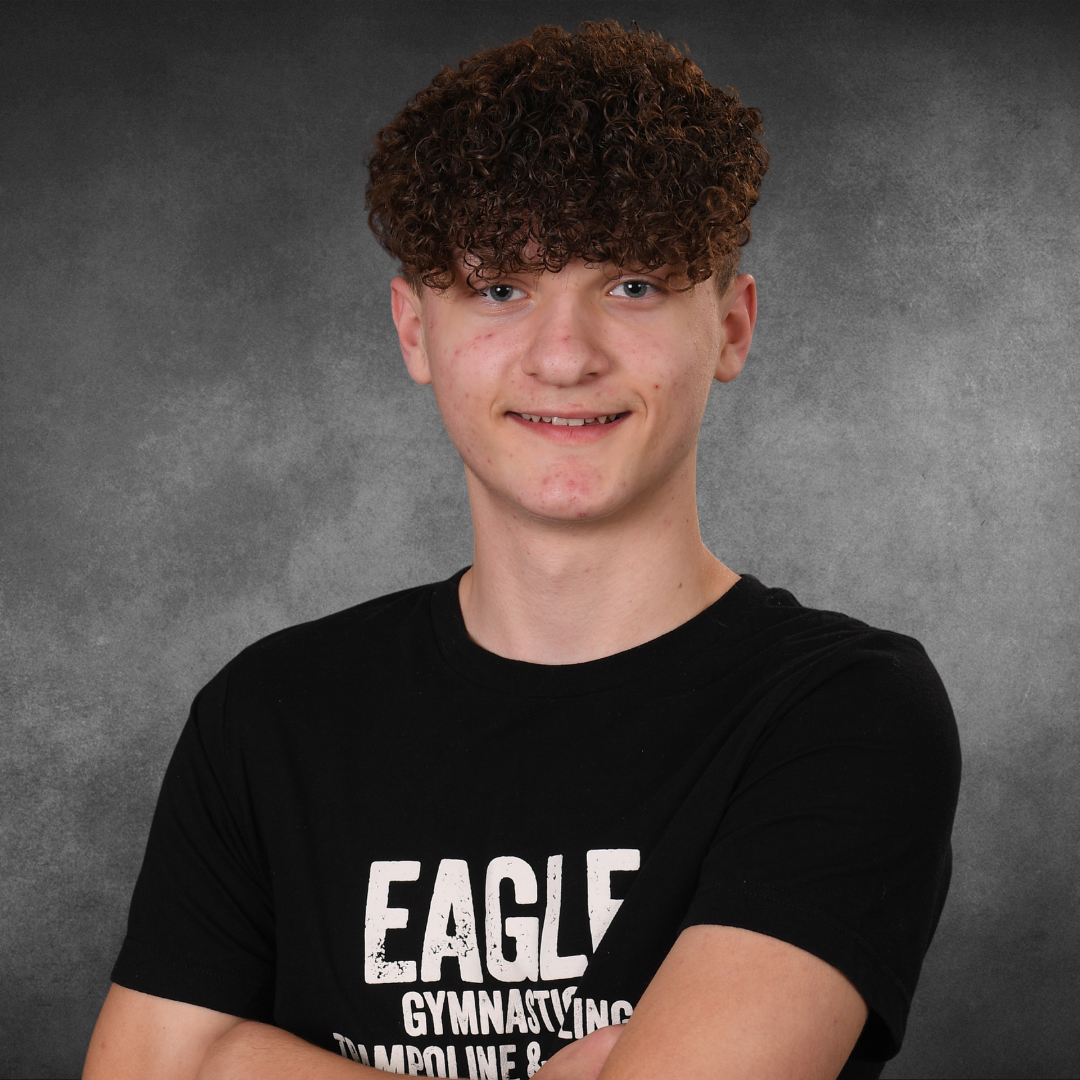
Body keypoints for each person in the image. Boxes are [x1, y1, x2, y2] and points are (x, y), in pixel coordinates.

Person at [83, 20, 960, 1080]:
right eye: (500, 288)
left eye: (631, 284)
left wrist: (237, 1064)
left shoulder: (843, 711)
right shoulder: (268, 712)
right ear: (415, 331)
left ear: (730, 328)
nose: (563, 355)